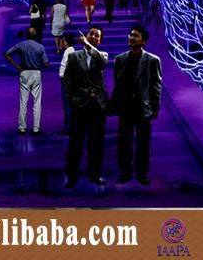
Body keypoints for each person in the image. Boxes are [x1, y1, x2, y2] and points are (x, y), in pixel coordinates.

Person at [109, 24, 162, 186]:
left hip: (142, 107)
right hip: (126, 107)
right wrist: (114, 105)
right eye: (131, 35)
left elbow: (156, 86)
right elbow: (117, 85)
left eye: (136, 35)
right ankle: (125, 172)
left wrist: (154, 108)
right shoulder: (120, 59)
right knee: (123, 142)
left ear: (143, 41)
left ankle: (142, 173)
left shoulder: (152, 60)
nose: (131, 38)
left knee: (143, 143)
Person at [63, 26, 108, 187]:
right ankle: (72, 177)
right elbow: (67, 80)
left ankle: (95, 175)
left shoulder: (102, 55)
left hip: (97, 106)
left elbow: (102, 61)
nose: (94, 36)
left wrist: (87, 45)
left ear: (100, 41)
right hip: (79, 105)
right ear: (87, 35)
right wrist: (73, 99)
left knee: (96, 143)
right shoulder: (74, 56)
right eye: (91, 34)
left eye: (97, 35)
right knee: (75, 142)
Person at [4, 27, 49, 135]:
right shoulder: (40, 47)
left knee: (23, 102)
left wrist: (16, 66)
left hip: (24, 72)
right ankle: (36, 128)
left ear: (27, 35)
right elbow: (46, 64)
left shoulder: (21, 45)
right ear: (35, 35)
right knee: (37, 102)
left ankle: (22, 127)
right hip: (36, 73)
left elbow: (7, 54)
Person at [58, 33, 76, 134]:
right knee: (66, 105)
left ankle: (68, 127)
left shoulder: (70, 51)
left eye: (62, 40)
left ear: (66, 42)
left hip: (66, 81)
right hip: (65, 80)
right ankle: (68, 126)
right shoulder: (68, 51)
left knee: (67, 105)